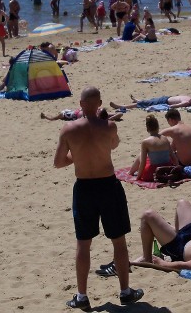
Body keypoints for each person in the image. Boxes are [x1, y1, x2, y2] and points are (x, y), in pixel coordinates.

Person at [53, 87, 144, 308]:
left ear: (81, 104)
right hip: (108, 186)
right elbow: (113, 144)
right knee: (118, 240)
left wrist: (78, 156)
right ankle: (125, 291)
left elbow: (58, 162)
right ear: (100, 103)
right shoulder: (109, 126)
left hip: (84, 187)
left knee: (83, 244)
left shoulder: (68, 130)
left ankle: (82, 296)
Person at [128, 114, 178, 182]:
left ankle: (130, 172)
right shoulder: (165, 139)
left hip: (154, 172)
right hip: (166, 170)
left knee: (141, 155)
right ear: (157, 127)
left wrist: (138, 177)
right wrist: (177, 170)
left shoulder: (145, 142)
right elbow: (173, 157)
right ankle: (131, 172)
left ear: (147, 128)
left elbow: (143, 162)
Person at [110, 95, 191, 111]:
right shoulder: (189, 100)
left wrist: (168, 107)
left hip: (166, 100)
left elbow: (175, 106)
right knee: (148, 102)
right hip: (165, 99)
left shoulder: (188, 101)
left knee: (143, 104)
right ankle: (139, 101)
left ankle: (122, 106)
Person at [41, 107, 122, 122]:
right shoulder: (100, 115)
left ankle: (46, 117)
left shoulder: (94, 118)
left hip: (70, 114)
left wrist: (108, 119)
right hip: (72, 112)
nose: (98, 109)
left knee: (56, 117)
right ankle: (46, 117)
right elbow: (120, 114)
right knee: (58, 116)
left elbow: (120, 114)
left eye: (99, 110)